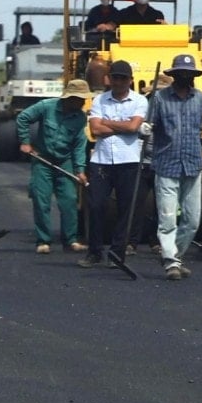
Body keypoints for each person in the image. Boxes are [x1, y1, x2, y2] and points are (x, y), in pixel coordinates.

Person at [81, 60, 148, 268]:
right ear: (109, 79)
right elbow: (95, 130)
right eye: (115, 77)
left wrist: (108, 123)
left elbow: (134, 127)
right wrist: (124, 125)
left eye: (123, 78)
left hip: (128, 160)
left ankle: (117, 252)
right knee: (96, 205)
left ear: (130, 80)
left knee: (126, 208)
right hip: (101, 160)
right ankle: (94, 251)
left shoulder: (140, 101)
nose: (118, 82)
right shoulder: (100, 100)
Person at [146, 53, 202, 280]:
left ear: (193, 76)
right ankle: (171, 262)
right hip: (166, 164)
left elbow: (199, 127)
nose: (185, 76)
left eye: (189, 73)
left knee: (192, 220)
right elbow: (150, 124)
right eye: (181, 73)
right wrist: (145, 128)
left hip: (192, 163)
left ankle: (174, 255)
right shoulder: (160, 98)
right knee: (168, 219)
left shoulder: (199, 98)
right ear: (173, 75)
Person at [17, 79, 91, 254]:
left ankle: (70, 240)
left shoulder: (80, 118)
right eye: (78, 98)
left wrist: (80, 170)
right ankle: (43, 240)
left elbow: (79, 145)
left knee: (69, 200)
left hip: (64, 162)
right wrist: (25, 142)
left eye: (83, 99)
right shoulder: (46, 106)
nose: (81, 102)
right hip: (42, 160)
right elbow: (23, 118)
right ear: (69, 97)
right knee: (40, 199)